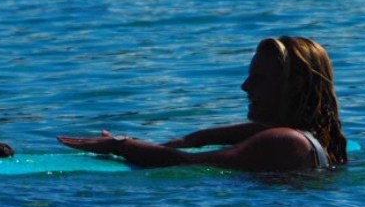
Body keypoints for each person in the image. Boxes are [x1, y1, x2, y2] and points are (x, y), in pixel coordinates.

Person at [58, 36, 347, 172]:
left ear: (293, 86)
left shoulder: (284, 142)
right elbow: (234, 135)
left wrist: (120, 144)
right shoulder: (317, 142)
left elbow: (187, 165)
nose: (245, 87)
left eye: (258, 78)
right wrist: (190, 139)